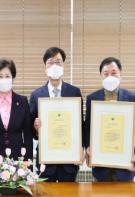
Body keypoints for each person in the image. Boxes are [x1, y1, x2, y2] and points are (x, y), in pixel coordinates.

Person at [30, 47, 84, 182]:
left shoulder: (74, 92)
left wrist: (81, 148)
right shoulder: (36, 95)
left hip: (69, 161)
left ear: (63, 66)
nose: (55, 66)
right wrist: (36, 128)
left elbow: (80, 125)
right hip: (46, 162)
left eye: (58, 62)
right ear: (45, 67)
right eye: (50, 62)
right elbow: (30, 129)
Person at [85, 57, 135, 181]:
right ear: (101, 76)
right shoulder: (92, 98)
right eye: (106, 74)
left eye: (113, 73)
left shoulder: (132, 97)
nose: (110, 77)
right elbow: (87, 128)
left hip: (126, 169)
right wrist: (87, 148)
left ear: (120, 74)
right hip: (100, 168)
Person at [0, 58, 33, 161]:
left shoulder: (22, 101)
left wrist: (28, 160)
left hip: (18, 160)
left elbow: (28, 135)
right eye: (0, 76)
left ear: (13, 78)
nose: (4, 79)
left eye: (7, 76)